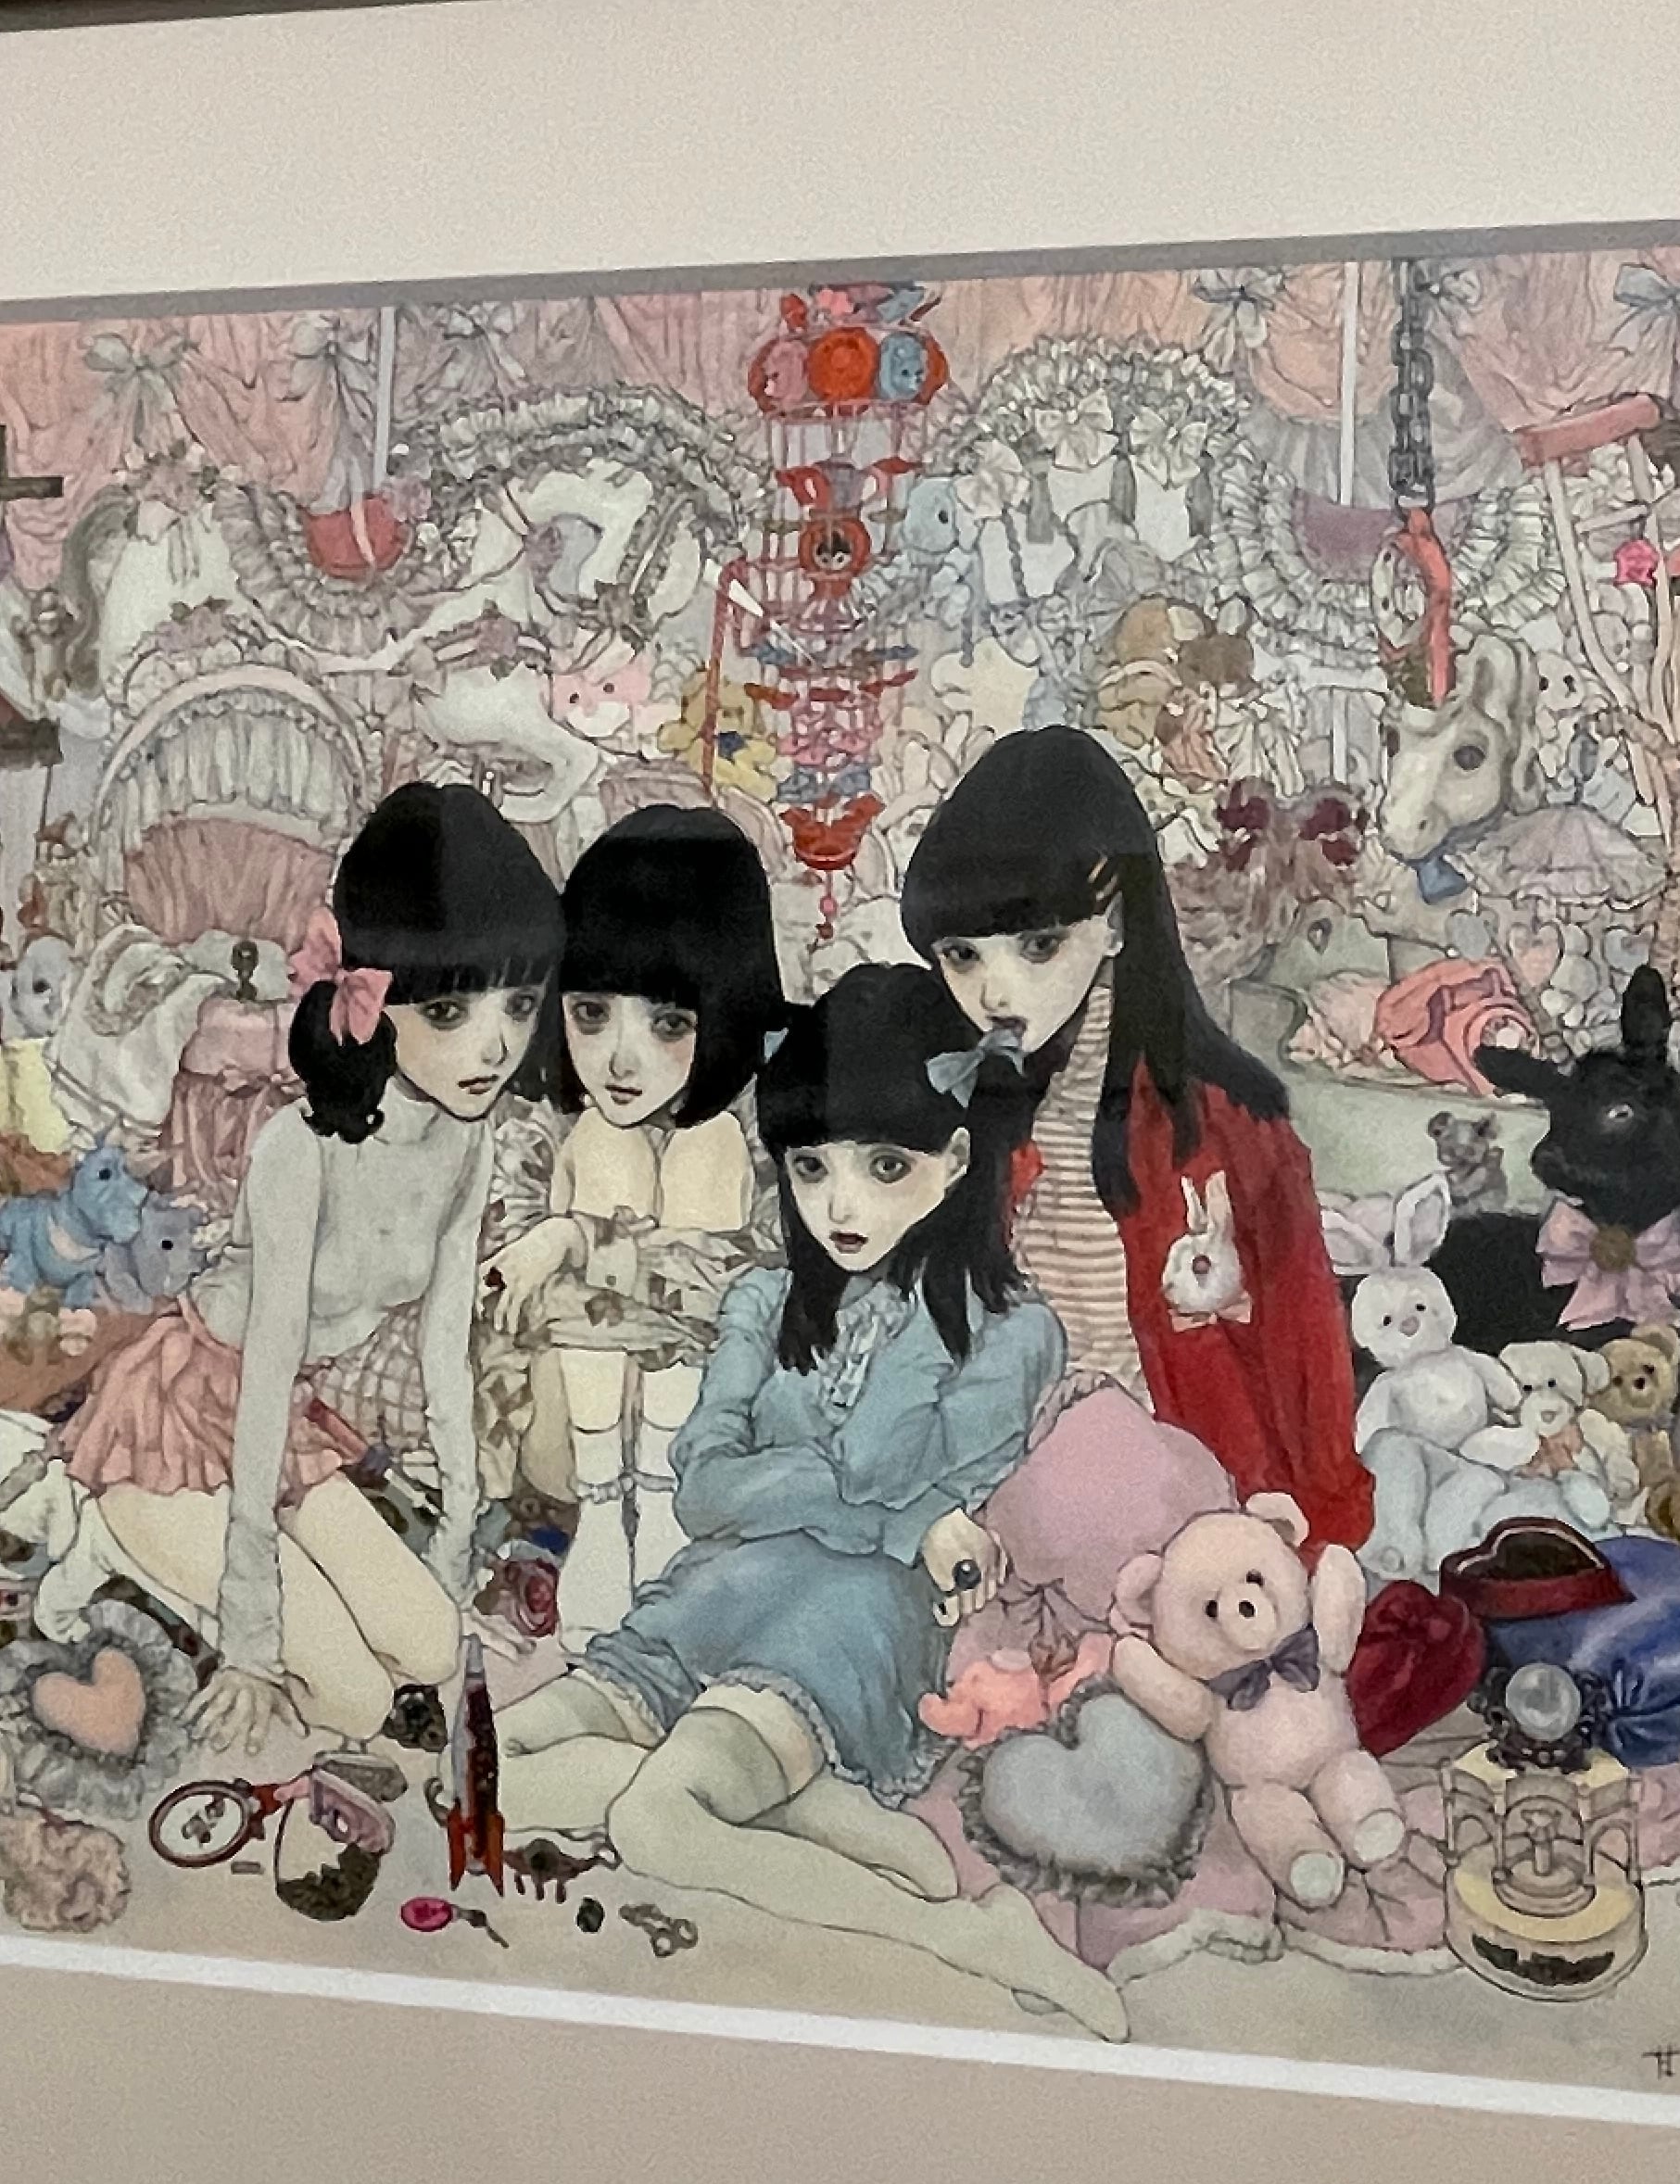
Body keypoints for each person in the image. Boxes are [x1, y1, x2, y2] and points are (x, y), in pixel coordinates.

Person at [493, 963, 1122, 2041]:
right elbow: (705, 1487)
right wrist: (885, 1515)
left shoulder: (1014, 1330)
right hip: (720, 1587)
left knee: (656, 1822)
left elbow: (886, 1466)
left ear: (955, 1159)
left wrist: (822, 1473)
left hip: (856, 1619)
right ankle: (801, 1810)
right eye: (813, 1166)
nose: (841, 1205)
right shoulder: (763, 1298)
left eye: (886, 1166)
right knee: (487, 1765)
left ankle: (970, 1937)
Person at [48, 782, 562, 1748]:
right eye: (450, 1009)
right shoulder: (302, 1149)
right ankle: (110, 1539)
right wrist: (250, 1635)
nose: (495, 1045)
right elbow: (267, 1362)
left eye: (521, 1003)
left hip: (285, 1424)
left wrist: (458, 1530)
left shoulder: (470, 1139)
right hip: (185, 1416)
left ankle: (231, 1574)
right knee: (355, 1701)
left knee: (431, 1647)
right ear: (373, 997)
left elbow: (445, 1349)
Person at [899, 727, 1371, 1549]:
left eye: (1038, 945)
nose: (996, 990)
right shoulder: (961, 1107)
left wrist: (1324, 1531)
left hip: (1193, 1501)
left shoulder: (1227, 1121)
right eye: (962, 955)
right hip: (1000, 1495)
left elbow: (1305, 1344)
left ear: (1116, 920)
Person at [484, 807, 787, 1646]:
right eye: (591, 1015)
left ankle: (657, 1505)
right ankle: (611, 1510)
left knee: (704, 1142)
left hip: (700, 1436)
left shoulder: (758, 1123)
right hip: (565, 1437)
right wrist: (611, 1255)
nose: (621, 1059)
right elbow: (507, 1286)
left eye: (668, 1023)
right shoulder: (541, 1122)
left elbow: (760, 1280)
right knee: (608, 1144)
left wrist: (581, 1240)